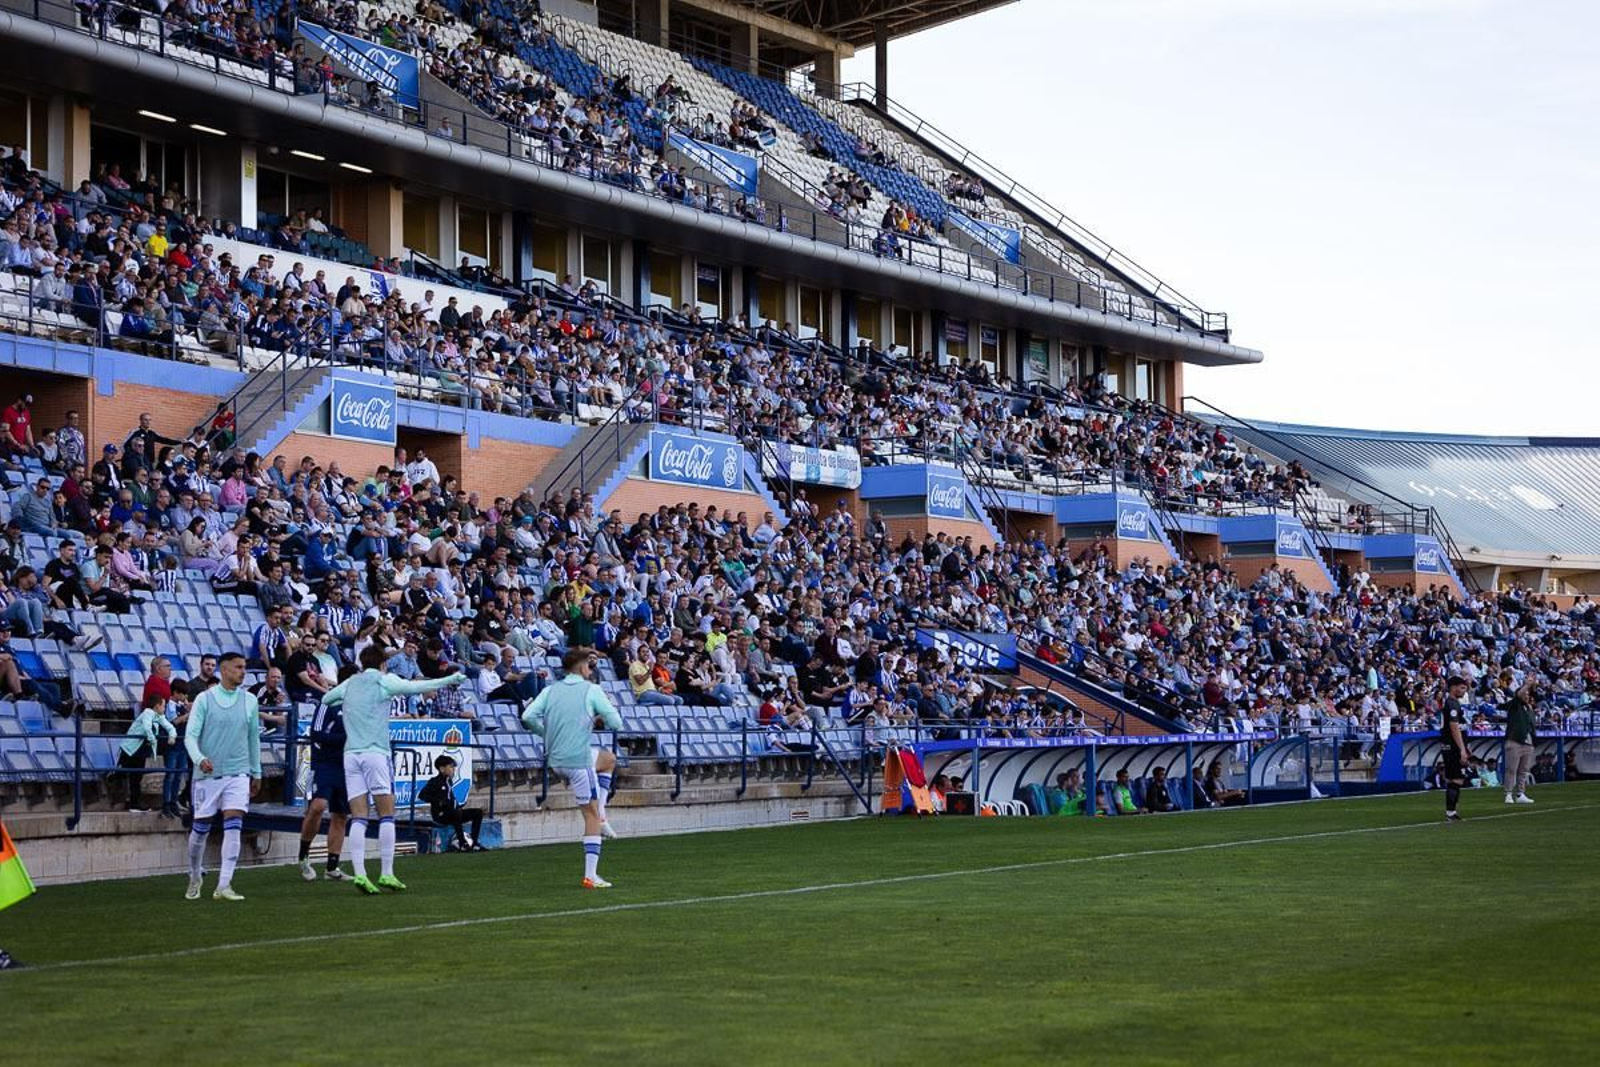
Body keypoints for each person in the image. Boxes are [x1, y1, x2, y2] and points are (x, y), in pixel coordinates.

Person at [318, 644, 465, 895]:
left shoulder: (351, 682)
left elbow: (326, 698)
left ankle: (361, 874)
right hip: (376, 752)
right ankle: (386, 872)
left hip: (351, 755)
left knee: (359, 816)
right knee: (387, 814)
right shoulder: (384, 681)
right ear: (384, 664)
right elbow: (416, 687)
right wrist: (451, 678)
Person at [521, 647, 624, 888]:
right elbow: (616, 722)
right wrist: (600, 714)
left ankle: (603, 814)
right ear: (580, 667)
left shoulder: (550, 690)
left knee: (608, 759)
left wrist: (547, 735)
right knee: (589, 815)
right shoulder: (592, 690)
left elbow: (527, 717)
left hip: (556, 760)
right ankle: (591, 875)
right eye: (589, 665)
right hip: (578, 761)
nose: (591, 670)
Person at [183, 653, 262, 902]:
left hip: (238, 772)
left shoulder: (249, 700)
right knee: (200, 830)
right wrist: (199, 759)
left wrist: (256, 771)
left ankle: (224, 884)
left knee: (234, 826)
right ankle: (195, 874)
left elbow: (253, 739)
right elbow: (190, 736)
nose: (243, 672)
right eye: (238, 667)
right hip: (208, 774)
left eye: (244, 667)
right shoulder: (204, 700)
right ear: (224, 670)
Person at [297, 682, 351, 882]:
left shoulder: (357, 706)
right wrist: (343, 739)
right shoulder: (327, 704)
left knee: (341, 815)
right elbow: (316, 734)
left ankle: (332, 866)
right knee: (319, 805)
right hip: (325, 763)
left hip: (347, 765)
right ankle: (303, 855)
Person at [117, 692, 177, 812]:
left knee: (137, 776)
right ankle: (132, 803)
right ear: (156, 706)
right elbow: (146, 728)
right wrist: (152, 739)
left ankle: (134, 803)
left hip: (140, 750)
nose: (164, 709)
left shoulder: (159, 716)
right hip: (130, 749)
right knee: (132, 776)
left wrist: (172, 736)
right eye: (163, 706)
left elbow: (169, 726)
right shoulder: (147, 713)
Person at [419, 755, 486, 851]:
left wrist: (457, 805)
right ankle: (462, 844)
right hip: (440, 815)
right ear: (442, 769)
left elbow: (450, 798)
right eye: (450, 767)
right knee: (456, 813)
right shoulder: (435, 782)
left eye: (453, 767)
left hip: (452, 814)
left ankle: (474, 843)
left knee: (477, 812)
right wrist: (439, 802)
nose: (453, 769)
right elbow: (422, 795)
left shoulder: (448, 781)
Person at [1501, 675, 1537, 805]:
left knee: (1524, 770)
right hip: (1515, 741)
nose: (1527, 695)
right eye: (1525, 693)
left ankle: (1520, 793)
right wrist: (1527, 684)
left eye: (1528, 694)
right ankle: (1508, 793)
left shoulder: (1529, 708)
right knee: (1511, 769)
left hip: (1527, 741)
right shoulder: (1515, 705)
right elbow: (1519, 694)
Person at [1440, 676, 1471, 822]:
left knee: (1456, 778)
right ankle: (1450, 812)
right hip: (1452, 747)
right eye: (1462, 688)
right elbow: (1454, 728)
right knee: (1456, 779)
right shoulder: (1452, 704)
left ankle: (1452, 811)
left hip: (1452, 746)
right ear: (1453, 687)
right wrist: (1462, 749)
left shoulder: (1454, 704)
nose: (1464, 691)